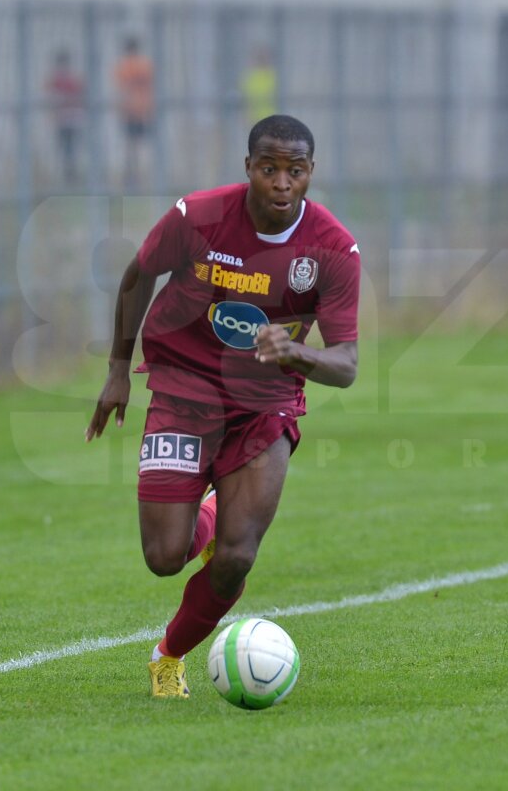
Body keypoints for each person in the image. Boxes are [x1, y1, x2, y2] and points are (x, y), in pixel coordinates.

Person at [85, 114, 361, 698]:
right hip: (182, 392)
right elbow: (138, 277)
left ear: (311, 173)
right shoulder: (199, 216)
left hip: (265, 406)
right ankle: (205, 513)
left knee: (237, 555)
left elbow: (347, 364)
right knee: (164, 556)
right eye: (270, 169)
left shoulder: (333, 250)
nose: (282, 183)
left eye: (296, 170)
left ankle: (167, 656)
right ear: (249, 169)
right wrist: (116, 370)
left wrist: (296, 355)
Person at [113, 36, 154, 191]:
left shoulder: (123, 66)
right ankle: (138, 176)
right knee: (138, 146)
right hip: (142, 110)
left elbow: (120, 89)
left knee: (130, 146)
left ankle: (133, 176)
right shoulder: (145, 65)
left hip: (130, 110)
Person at [45, 48, 85, 185]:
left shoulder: (63, 80)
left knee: (69, 148)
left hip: (70, 119)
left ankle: (70, 175)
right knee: (66, 148)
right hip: (66, 119)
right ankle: (68, 175)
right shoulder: (64, 80)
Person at [242, 47, 278, 127]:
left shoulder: (273, 75)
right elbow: (246, 100)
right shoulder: (250, 76)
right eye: (260, 57)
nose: (263, 60)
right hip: (254, 118)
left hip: (271, 117)